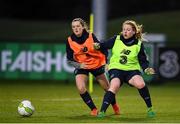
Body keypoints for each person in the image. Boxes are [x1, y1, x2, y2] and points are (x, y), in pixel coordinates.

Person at [94, 20, 156, 118]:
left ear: (134, 31)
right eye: (124, 30)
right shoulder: (116, 39)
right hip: (116, 69)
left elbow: (143, 60)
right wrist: (98, 45)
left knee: (141, 84)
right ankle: (102, 111)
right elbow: (104, 45)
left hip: (132, 70)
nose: (125, 32)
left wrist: (146, 69)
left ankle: (150, 108)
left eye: (128, 30)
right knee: (114, 86)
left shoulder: (138, 44)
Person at [66, 18, 120, 116]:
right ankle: (94, 109)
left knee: (107, 89)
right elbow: (69, 59)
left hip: (96, 64)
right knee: (80, 88)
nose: (76, 28)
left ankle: (115, 106)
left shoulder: (90, 36)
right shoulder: (69, 40)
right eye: (73, 27)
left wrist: (106, 62)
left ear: (83, 27)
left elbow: (103, 48)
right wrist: (79, 65)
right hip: (82, 66)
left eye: (78, 26)